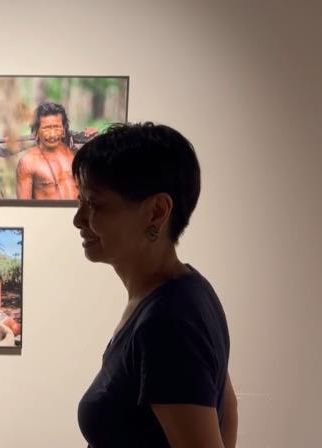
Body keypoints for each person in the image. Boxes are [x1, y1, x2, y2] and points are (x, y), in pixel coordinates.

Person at [72, 122, 237, 447]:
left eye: (95, 204)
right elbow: (227, 408)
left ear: (156, 212)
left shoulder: (167, 322)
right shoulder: (189, 290)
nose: (78, 219)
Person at [13, 102, 97, 200]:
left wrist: (96, 141)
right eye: (46, 128)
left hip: (77, 214)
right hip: (47, 215)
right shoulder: (28, 162)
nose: (53, 134)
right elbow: (23, 208)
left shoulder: (75, 153)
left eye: (57, 127)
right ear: (36, 131)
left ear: (64, 129)